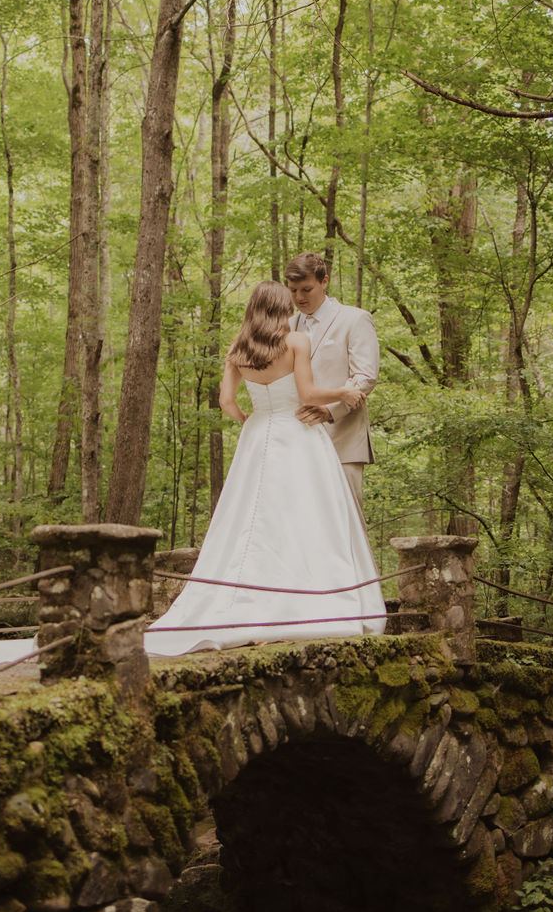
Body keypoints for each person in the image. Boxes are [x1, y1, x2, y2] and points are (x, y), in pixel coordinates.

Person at [144, 280, 385, 656]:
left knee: (249, 516)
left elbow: (226, 400)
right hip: (299, 435)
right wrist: (342, 392)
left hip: (258, 435)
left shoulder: (237, 349)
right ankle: (308, 600)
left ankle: (247, 598)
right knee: (308, 516)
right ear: (279, 307)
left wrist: (248, 420)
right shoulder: (295, 342)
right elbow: (307, 396)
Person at [284, 251, 379, 511]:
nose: (299, 298)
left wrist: (330, 410)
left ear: (324, 281)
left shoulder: (355, 319)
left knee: (346, 521)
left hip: (343, 438)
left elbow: (365, 375)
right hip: (297, 440)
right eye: (293, 291)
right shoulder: (287, 326)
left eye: (306, 289)